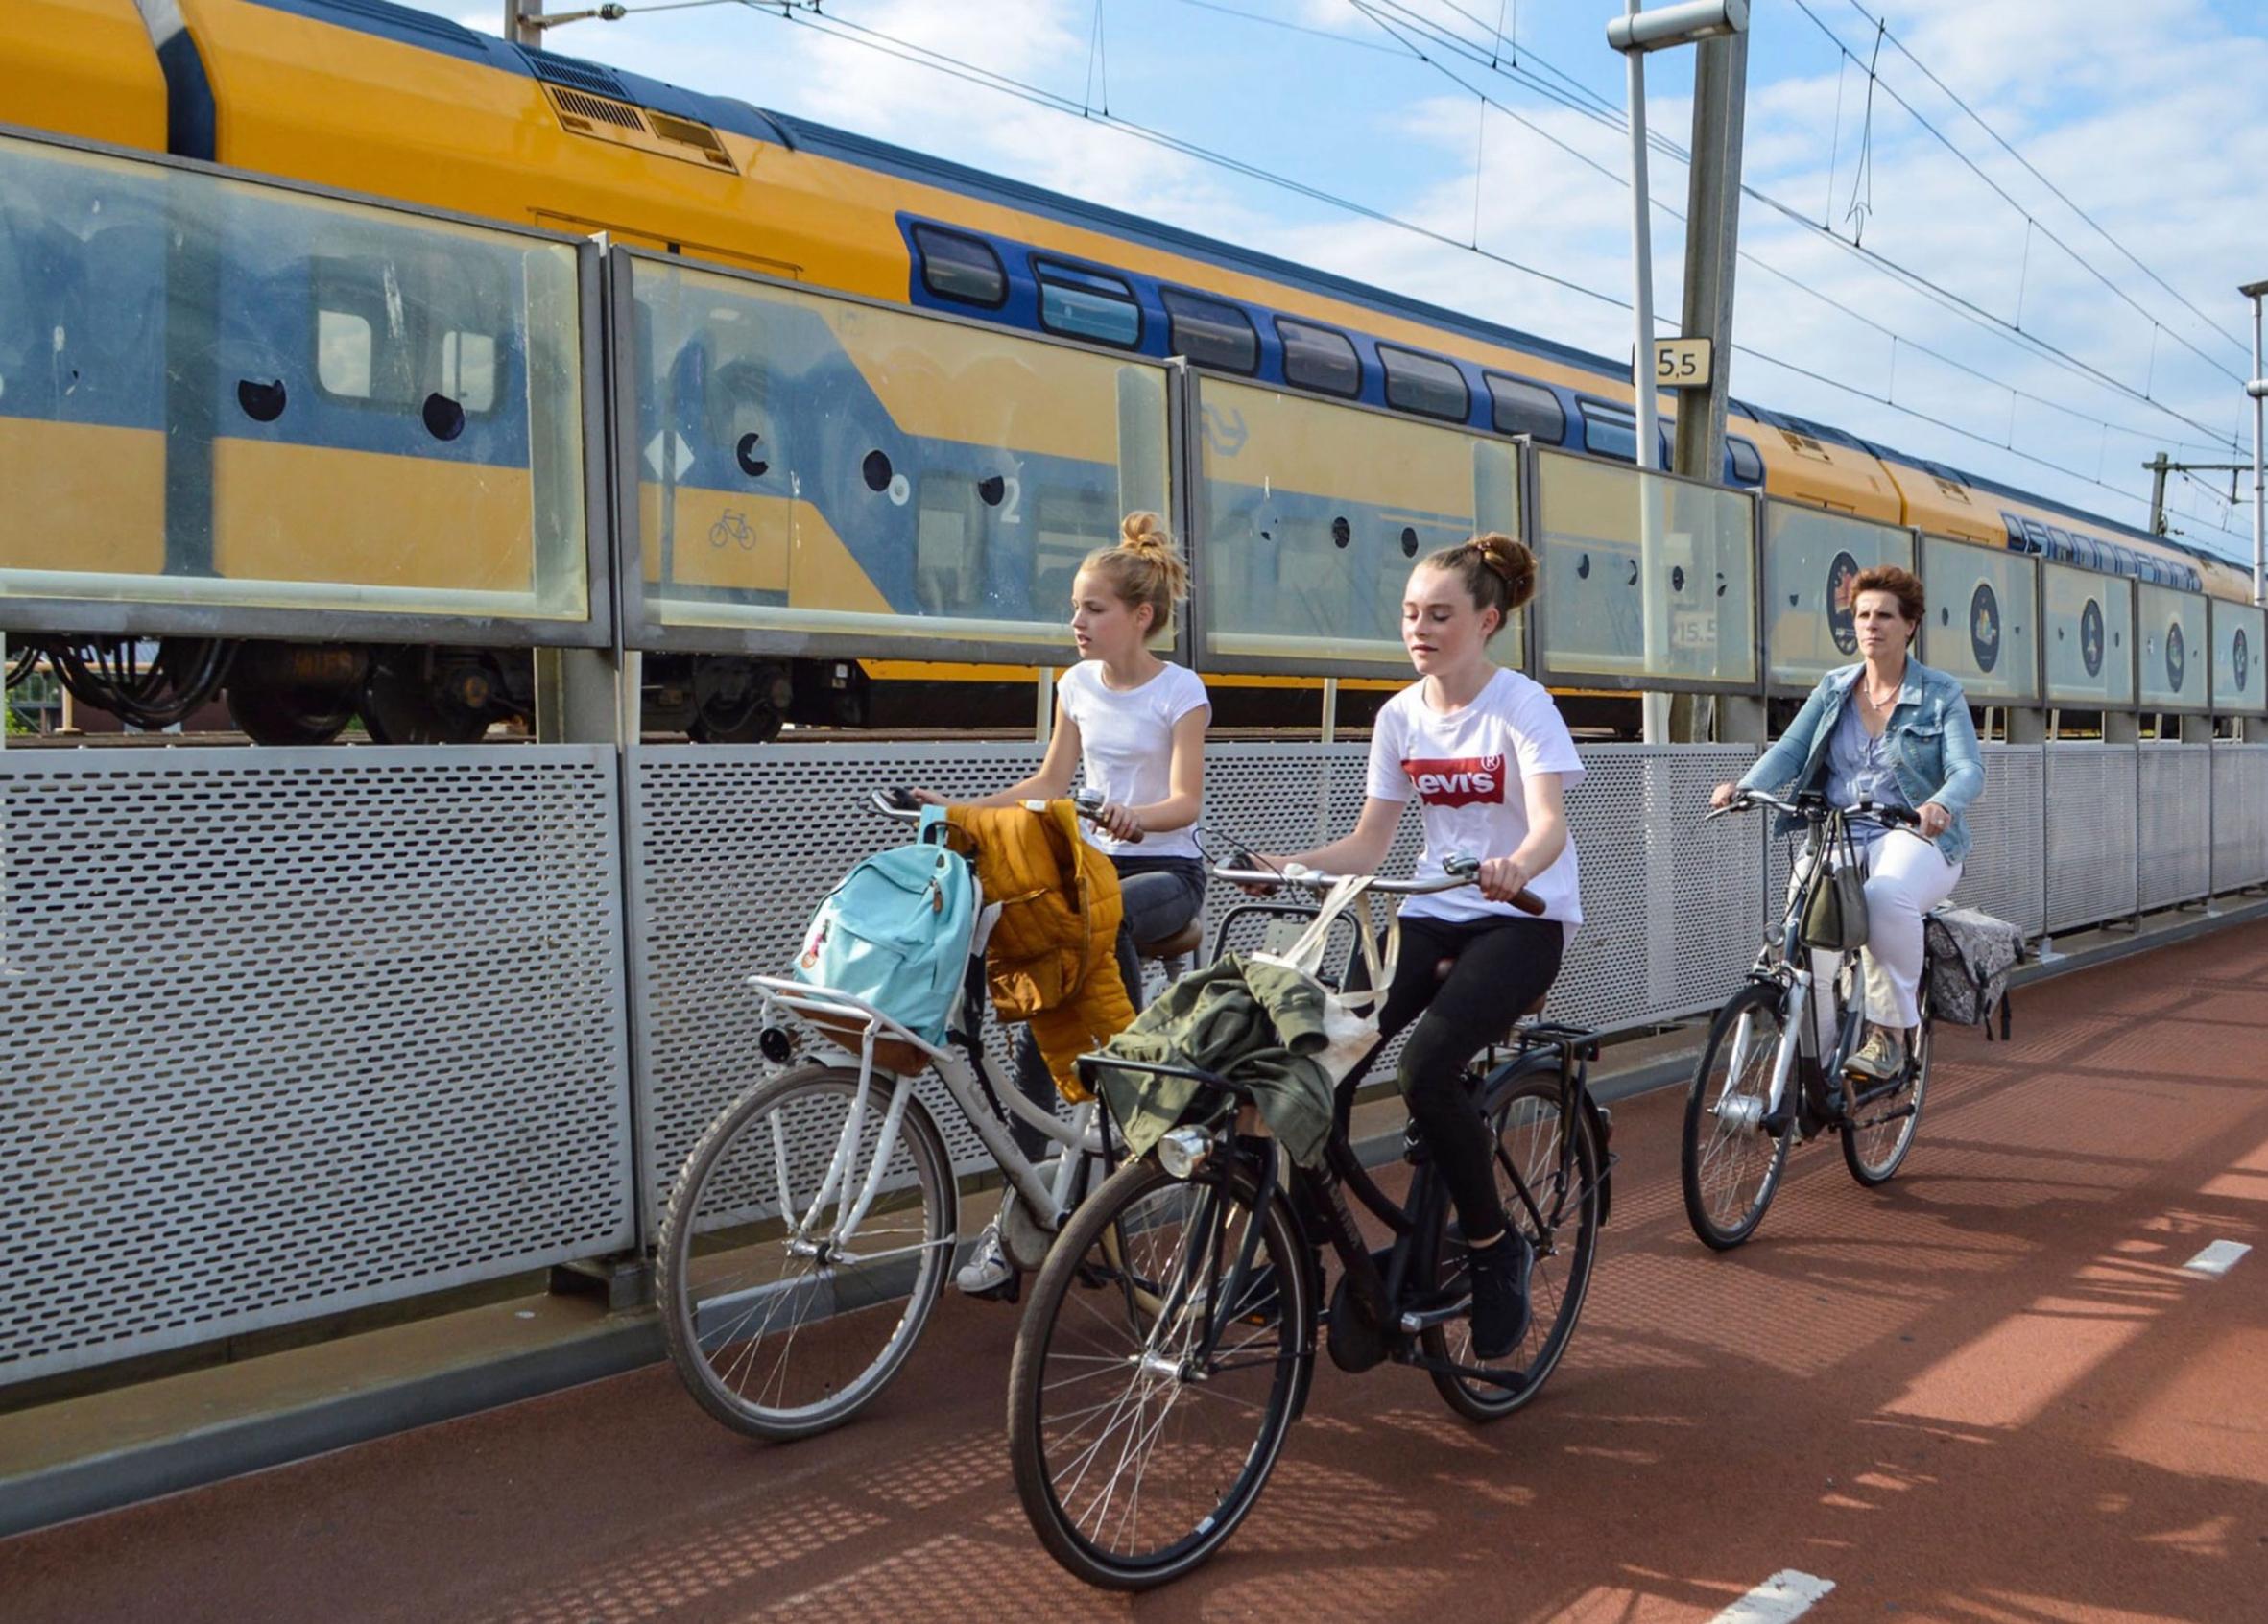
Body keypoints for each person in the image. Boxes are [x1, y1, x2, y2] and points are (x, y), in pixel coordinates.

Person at [1248, 533, 1579, 1361]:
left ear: (1486, 621)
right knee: (1313, 1069)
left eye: (1439, 614)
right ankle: (1297, 1253)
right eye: (1408, 614)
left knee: (1425, 1069)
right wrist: (1289, 868)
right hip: (1431, 909)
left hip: (1521, 918)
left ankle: (1489, 1248)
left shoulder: (1520, 705)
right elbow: (1368, 846)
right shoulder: (1399, 716)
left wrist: (1516, 867)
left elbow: (1548, 825)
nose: (1418, 629)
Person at [912, 512, 1209, 1296]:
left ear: (1139, 617)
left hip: (1164, 874)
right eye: (1075, 608)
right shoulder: (1074, 685)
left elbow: (1185, 802)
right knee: (1040, 993)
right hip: (1084, 874)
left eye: (1092, 609)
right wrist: (961, 809)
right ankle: (1030, 1207)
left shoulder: (1180, 690)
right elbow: (1046, 785)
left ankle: (1123, 1093)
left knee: (1086, 933)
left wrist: (1136, 817)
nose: (1074, 623)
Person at [1710, 565, 1983, 1081]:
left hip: (1912, 836)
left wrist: (1941, 804)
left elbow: (1968, 768)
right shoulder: (1835, 687)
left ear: (1910, 627)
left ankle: (1889, 1036)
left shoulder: (1940, 693)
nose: (1870, 625)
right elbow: (1791, 749)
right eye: (1862, 615)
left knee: (1884, 898)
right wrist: (1745, 787)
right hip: (1838, 831)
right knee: (1801, 941)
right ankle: (1822, 1064)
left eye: (1884, 615)